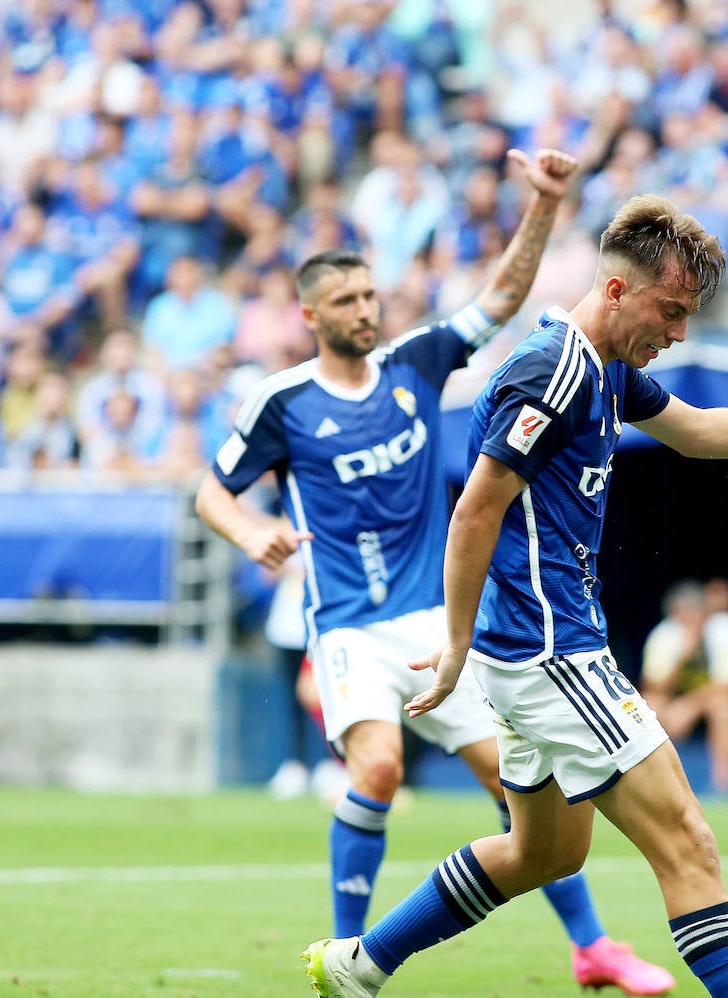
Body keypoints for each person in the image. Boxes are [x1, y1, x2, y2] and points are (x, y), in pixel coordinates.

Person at [300, 194, 728, 998]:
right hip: (552, 653)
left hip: (533, 651)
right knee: (689, 845)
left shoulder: (606, 367)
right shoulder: (552, 370)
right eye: (672, 310)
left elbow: (694, 432)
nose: (681, 332)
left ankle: (360, 964)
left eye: (691, 315)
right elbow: (475, 507)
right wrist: (454, 646)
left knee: (542, 855)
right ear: (619, 291)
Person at [197, 150, 681, 996]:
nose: (364, 311)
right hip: (346, 620)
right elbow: (212, 490)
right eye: (344, 301)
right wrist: (249, 532)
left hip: (436, 618)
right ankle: (348, 951)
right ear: (311, 314)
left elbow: (498, 300)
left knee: (517, 779)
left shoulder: (416, 363)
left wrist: (543, 205)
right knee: (378, 769)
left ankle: (592, 946)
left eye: (369, 296)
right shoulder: (282, 401)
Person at [640, 578, 728, 796]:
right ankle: (659, 787)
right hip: (675, 700)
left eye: (695, 612)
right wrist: (681, 657)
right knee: (648, 707)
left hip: (716, 699)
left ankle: (724, 787)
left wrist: (691, 706)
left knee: (727, 709)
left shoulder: (727, 628)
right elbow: (653, 685)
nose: (690, 619)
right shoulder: (665, 634)